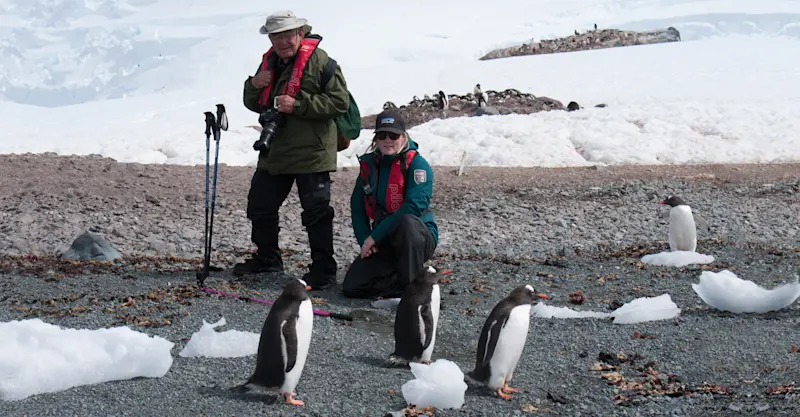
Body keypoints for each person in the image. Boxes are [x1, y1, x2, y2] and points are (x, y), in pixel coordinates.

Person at [235, 10, 350, 291]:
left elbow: (339, 102)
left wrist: (297, 105)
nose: (282, 41)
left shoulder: (322, 62)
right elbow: (255, 103)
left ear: (300, 33)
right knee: (260, 205)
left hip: (312, 151)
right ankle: (268, 258)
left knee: (316, 212)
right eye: (276, 36)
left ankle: (323, 270)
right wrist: (252, 86)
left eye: (287, 35)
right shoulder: (270, 62)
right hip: (276, 150)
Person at [342, 109, 439, 299]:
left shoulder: (418, 166)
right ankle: (410, 281)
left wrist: (375, 236)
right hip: (386, 238)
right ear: (375, 139)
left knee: (407, 222)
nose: (388, 140)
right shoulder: (370, 166)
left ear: (403, 136)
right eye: (382, 135)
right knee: (352, 287)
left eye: (393, 135)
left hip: (417, 238)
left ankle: (415, 295)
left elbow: (414, 206)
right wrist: (365, 240)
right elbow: (357, 207)